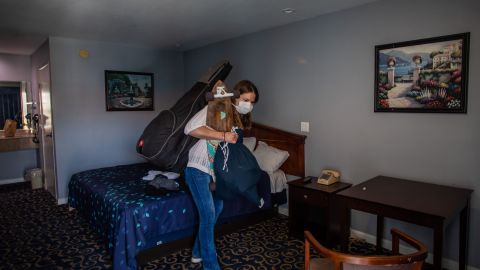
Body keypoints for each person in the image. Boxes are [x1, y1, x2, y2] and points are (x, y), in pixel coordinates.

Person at [184, 80, 258, 270]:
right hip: (198, 169)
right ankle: (211, 265)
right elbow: (190, 128)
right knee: (208, 216)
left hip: (217, 174)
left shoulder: (238, 120)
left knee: (214, 213)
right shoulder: (218, 108)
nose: (248, 105)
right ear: (235, 96)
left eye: (252, 102)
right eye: (245, 100)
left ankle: (196, 253)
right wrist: (223, 136)